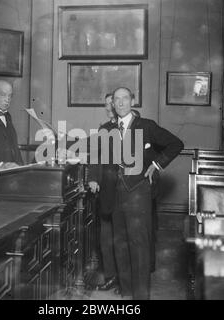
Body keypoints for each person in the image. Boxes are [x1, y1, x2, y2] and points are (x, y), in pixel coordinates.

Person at [88, 87, 184, 300]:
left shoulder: (146, 126)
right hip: (113, 192)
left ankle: (141, 297)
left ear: (133, 101)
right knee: (120, 244)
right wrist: (93, 177)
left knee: (139, 244)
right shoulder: (105, 129)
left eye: (125, 99)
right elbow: (96, 157)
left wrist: (157, 165)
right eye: (116, 100)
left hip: (138, 191)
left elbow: (176, 144)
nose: (120, 103)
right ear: (112, 104)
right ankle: (126, 293)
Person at [94, 94, 119, 292]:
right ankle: (111, 276)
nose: (108, 107)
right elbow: (95, 153)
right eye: (106, 104)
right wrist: (94, 178)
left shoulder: (133, 125)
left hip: (128, 191)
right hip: (107, 189)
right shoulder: (104, 128)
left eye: (112, 103)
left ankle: (124, 279)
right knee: (106, 236)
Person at [0, 80, 23, 166]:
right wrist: (0, 165)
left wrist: (21, 167)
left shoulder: (8, 116)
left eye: (10, 96)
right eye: (3, 94)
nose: (7, 99)